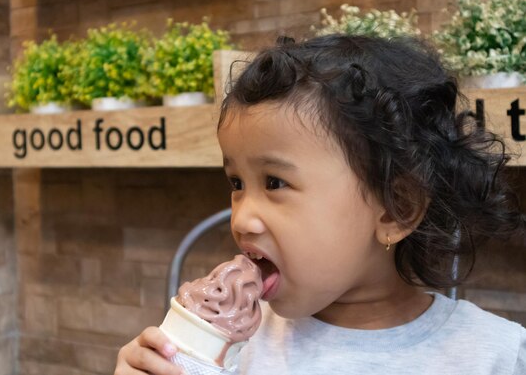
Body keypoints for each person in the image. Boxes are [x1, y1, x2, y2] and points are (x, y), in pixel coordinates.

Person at [114, 34, 526, 375]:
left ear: (395, 209)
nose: (243, 219)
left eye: (275, 182)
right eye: (237, 183)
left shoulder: (497, 357)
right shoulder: (234, 347)